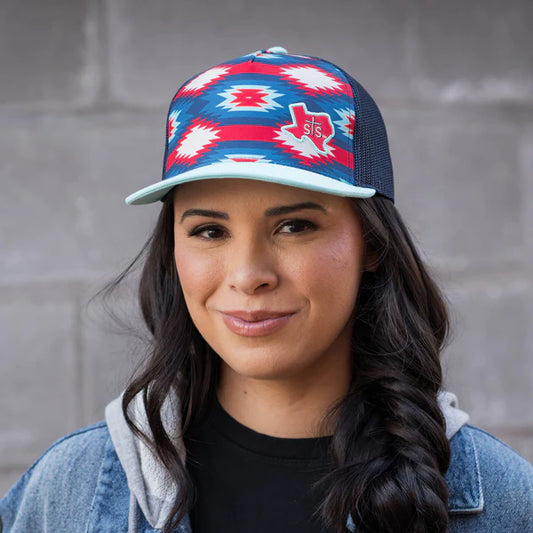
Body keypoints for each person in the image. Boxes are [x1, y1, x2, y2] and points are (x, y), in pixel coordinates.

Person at [1, 46, 532, 533]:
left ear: (371, 243)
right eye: (210, 231)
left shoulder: (505, 502)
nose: (248, 273)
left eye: (294, 226)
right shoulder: (68, 492)